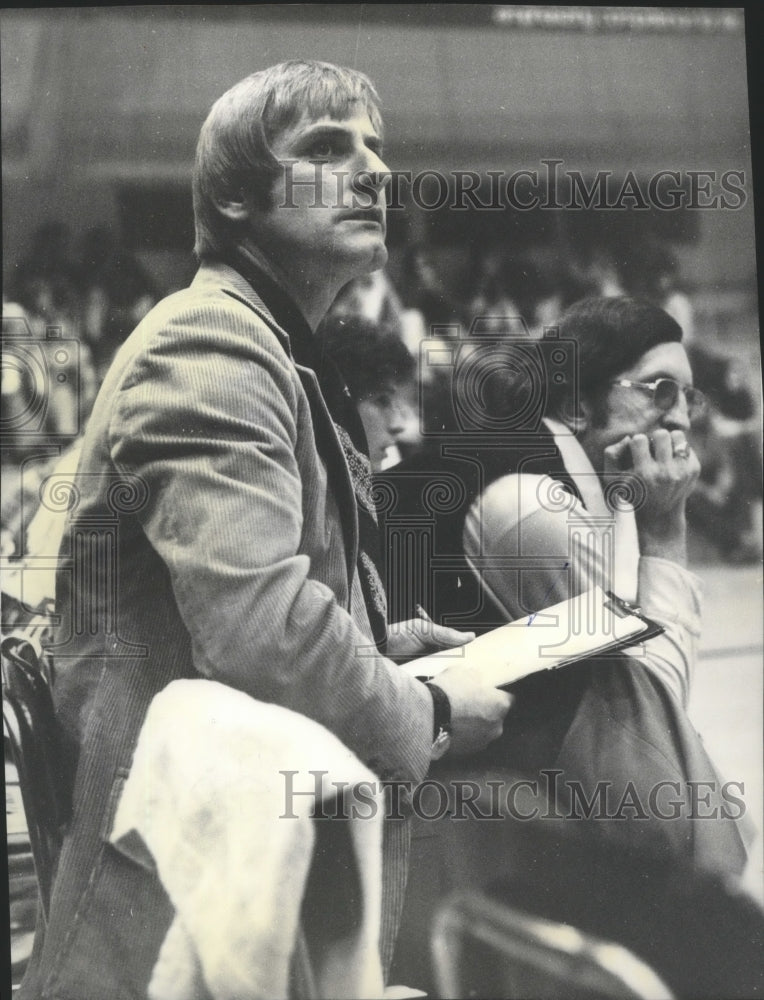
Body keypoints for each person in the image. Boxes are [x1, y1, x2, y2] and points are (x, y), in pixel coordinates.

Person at [19, 60, 511, 999]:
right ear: (237, 198)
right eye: (327, 148)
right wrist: (433, 713)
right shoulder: (210, 338)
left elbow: (243, 605)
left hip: (232, 869)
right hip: (177, 908)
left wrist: (383, 645)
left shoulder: (263, 339)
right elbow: (256, 625)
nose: (372, 171)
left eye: (376, 148)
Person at [383, 296, 752, 992]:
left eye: (687, 395)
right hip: (449, 813)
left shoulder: (582, 480)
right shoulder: (534, 504)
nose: (679, 416)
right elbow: (650, 719)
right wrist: (668, 528)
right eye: (657, 390)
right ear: (578, 406)